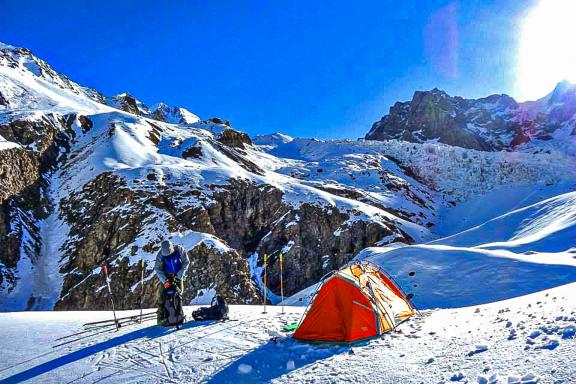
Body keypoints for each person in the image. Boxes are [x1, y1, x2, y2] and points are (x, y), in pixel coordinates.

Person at [154, 239, 190, 325]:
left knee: (178, 293)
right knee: (161, 295)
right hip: (166, 276)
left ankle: (178, 314)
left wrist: (179, 276)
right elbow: (158, 269)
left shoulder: (179, 250)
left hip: (178, 275)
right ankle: (161, 317)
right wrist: (165, 281)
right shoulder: (160, 255)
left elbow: (186, 262)